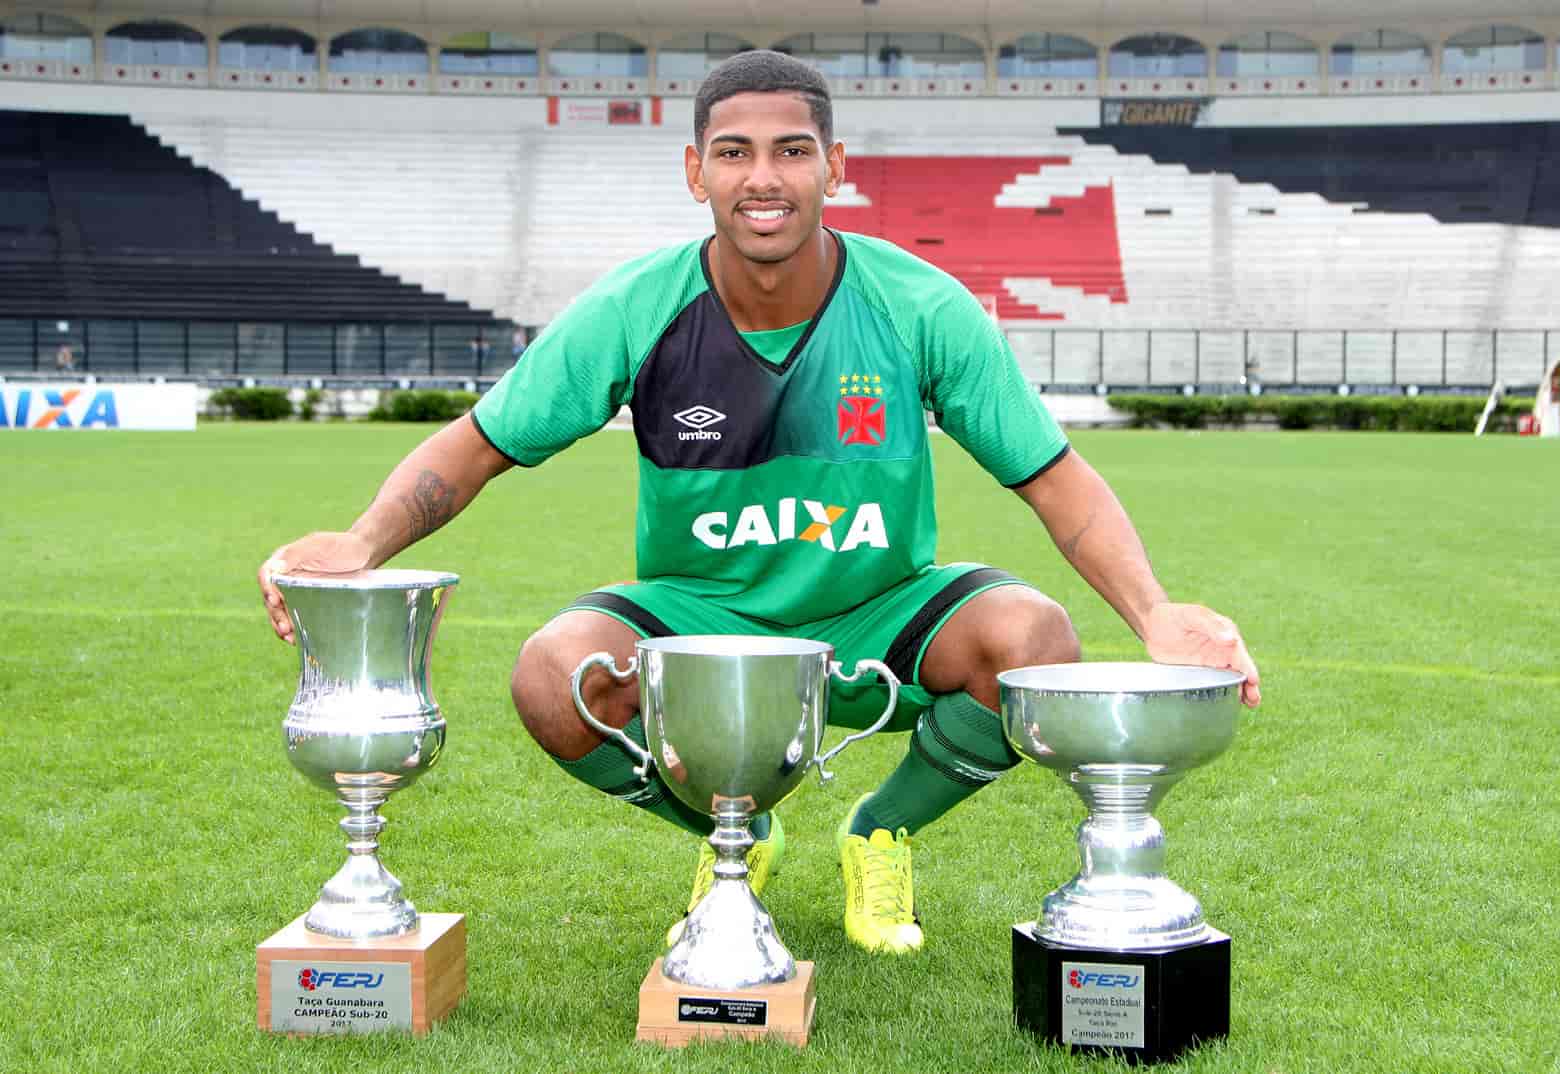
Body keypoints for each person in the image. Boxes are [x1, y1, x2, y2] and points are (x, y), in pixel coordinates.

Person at [258, 50, 1260, 956]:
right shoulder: (635, 306)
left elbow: (1052, 476)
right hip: (705, 631)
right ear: (697, 173)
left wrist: (1153, 612)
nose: (762, 177)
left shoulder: (920, 306)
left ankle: (885, 830)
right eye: (733, 153)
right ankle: (737, 828)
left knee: (1033, 635)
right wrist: (361, 539)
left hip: (875, 616)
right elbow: (478, 447)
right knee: (551, 676)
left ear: (833, 166)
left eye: (790, 151)